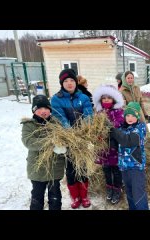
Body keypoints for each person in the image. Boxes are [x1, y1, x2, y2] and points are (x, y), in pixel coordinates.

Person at [51, 68, 94, 208]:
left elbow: (88, 114)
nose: (69, 83)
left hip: (82, 138)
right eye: (66, 81)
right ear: (61, 83)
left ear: (76, 82)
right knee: (70, 169)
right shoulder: (56, 99)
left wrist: (82, 132)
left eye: (71, 80)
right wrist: (70, 133)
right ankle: (75, 197)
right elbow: (59, 116)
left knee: (82, 167)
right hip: (67, 139)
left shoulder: (83, 97)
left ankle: (84, 196)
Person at [21, 95, 65, 210]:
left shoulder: (56, 123)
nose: (43, 111)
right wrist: (50, 142)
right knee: (37, 195)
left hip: (55, 167)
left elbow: (64, 139)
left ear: (50, 110)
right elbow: (29, 141)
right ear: (34, 111)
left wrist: (63, 145)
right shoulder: (28, 125)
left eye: (46, 108)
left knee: (55, 196)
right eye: (39, 109)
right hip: (37, 168)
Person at [110, 102, 149, 210]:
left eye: (133, 115)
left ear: (137, 116)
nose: (130, 118)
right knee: (130, 193)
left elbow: (128, 141)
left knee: (138, 194)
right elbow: (116, 142)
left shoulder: (140, 129)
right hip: (124, 167)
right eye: (127, 115)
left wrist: (114, 131)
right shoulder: (122, 129)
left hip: (135, 167)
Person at [93, 84, 124, 204]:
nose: (106, 100)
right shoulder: (98, 112)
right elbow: (95, 128)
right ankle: (109, 188)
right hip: (102, 147)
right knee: (106, 169)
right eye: (104, 97)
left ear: (114, 99)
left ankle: (117, 189)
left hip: (114, 147)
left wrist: (108, 126)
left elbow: (119, 125)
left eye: (109, 97)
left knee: (116, 169)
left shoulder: (119, 112)